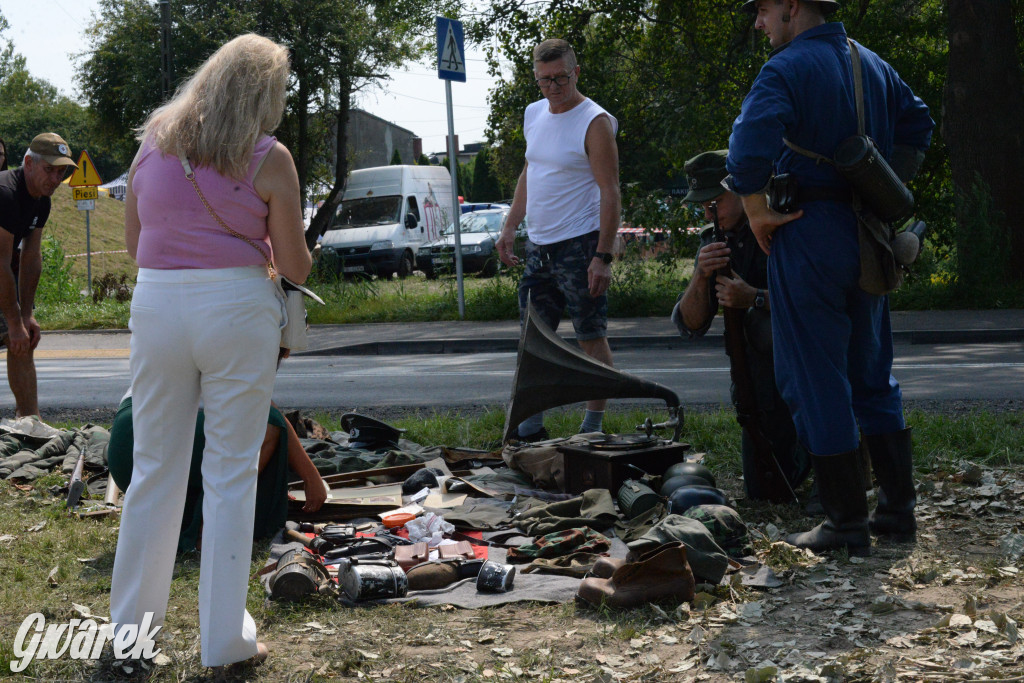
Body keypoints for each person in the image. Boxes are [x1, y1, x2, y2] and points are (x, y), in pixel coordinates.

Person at [109, 34, 311, 671]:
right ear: (262, 92)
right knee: (228, 475)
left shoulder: (154, 146)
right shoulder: (268, 158)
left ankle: (130, 637)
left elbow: (135, 241)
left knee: (153, 473)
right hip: (237, 309)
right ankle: (223, 641)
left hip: (159, 305)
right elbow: (296, 262)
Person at [726, 0, 934, 555]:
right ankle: (895, 513)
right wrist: (881, 185)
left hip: (807, 231)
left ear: (793, 6)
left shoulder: (787, 68)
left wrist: (753, 205)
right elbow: (919, 123)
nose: (758, 21)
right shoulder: (874, 64)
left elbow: (746, 153)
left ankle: (844, 524)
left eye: (764, 9)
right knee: (872, 374)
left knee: (814, 377)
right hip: (869, 234)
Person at [495, 38, 621, 441]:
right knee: (533, 339)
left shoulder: (594, 121)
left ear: (576, 72)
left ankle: (593, 427)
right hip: (540, 248)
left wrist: (602, 255)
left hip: (581, 246)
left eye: (561, 78)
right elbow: (530, 171)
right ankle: (530, 425)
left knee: (589, 336)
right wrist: (511, 225)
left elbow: (611, 191)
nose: (553, 87)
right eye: (544, 80)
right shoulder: (534, 114)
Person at [671, 150, 810, 501]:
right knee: (764, 492)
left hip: (804, 369)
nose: (708, 213)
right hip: (757, 385)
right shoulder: (714, 238)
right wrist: (702, 275)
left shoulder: (782, 225)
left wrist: (756, 298)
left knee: (825, 477)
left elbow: (816, 301)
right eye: (703, 206)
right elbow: (690, 324)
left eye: (715, 202)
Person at [106, 389, 329, 554]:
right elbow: (266, 412)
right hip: (147, 437)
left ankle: (200, 520)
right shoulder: (242, 334)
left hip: (128, 454)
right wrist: (312, 477)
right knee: (266, 426)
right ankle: (209, 528)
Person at [0, 133, 79, 418]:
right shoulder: (6, 192)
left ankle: (29, 422)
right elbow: (1, 262)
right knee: (14, 333)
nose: (56, 179)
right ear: (29, 163)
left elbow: (31, 258)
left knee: (22, 341)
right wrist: (12, 319)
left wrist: (24, 316)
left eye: (61, 172)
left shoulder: (41, 200)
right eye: (50, 170)